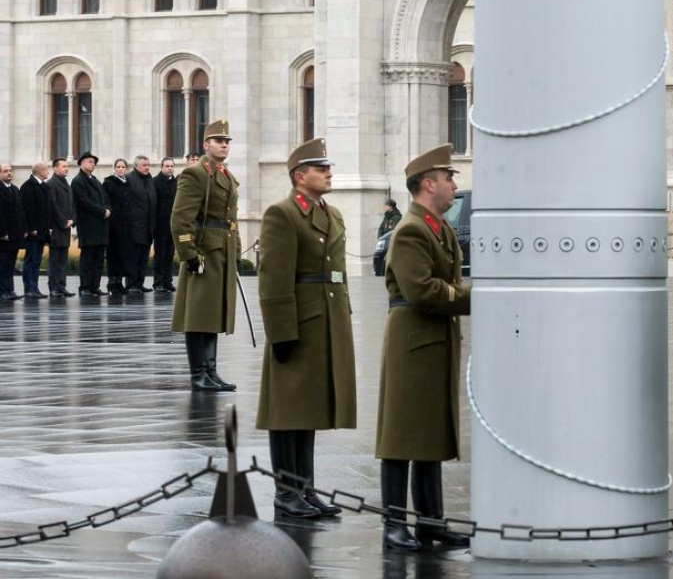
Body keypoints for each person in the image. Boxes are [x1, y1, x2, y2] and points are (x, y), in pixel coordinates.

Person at [375, 144, 472, 551]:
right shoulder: (412, 228)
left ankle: (430, 522)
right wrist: (475, 298)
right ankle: (394, 524)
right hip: (413, 338)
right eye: (449, 178)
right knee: (401, 436)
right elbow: (422, 290)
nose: (454, 184)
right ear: (429, 184)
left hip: (433, 337)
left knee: (429, 433)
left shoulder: (438, 226)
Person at [256, 138, 357, 519]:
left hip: (325, 319)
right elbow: (274, 279)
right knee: (287, 412)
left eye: (328, 167)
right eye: (321, 168)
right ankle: (286, 493)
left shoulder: (331, 213)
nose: (329, 173)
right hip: (298, 321)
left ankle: (305, 489)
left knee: (308, 410)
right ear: (301, 176)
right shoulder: (282, 214)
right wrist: (281, 332)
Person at [171, 120, 241, 392]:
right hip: (204, 252)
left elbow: (230, 218)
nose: (224, 145)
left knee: (212, 314)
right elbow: (181, 218)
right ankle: (198, 374)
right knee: (198, 316)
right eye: (218, 140)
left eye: (227, 141)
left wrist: (235, 249)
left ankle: (211, 371)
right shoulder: (196, 174)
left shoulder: (224, 174)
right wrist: (189, 253)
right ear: (205, 145)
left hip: (221, 250)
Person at [71, 152, 110, 296]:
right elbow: (84, 202)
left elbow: (105, 197)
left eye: (93, 162)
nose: (92, 164)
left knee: (98, 259)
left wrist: (108, 209)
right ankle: (85, 287)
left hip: (100, 226)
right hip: (88, 226)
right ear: (81, 163)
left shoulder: (95, 180)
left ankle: (95, 286)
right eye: (89, 162)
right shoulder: (78, 181)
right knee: (88, 259)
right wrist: (102, 211)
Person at [123, 156, 157, 294]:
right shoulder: (129, 179)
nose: (147, 167)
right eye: (144, 165)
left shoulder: (149, 179)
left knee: (143, 257)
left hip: (148, 226)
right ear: (136, 166)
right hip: (134, 226)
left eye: (148, 165)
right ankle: (131, 284)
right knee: (133, 257)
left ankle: (139, 283)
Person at [20, 162, 52, 299]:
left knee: (36, 261)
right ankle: (29, 288)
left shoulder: (43, 186)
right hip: (33, 232)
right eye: (46, 169)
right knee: (31, 260)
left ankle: (35, 287)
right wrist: (31, 228)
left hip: (41, 232)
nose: (48, 172)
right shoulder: (28, 186)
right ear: (39, 171)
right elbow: (27, 210)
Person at [47, 158, 76, 297]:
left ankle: (61, 286)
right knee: (55, 259)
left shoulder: (66, 184)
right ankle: (54, 287)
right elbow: (53, 206)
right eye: (63, 166)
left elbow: (72, 205)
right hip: (57, 227)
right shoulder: (52, 184)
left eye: (67, 166)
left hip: (66, 227)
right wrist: (63, 221)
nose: (66, 168)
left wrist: (72, 219)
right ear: (55, 168)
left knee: (63, 259)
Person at [104, 158, 130, 295]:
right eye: (118, 167)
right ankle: (112, 282)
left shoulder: (128, 183)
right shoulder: (109, 183)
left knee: (123, 254)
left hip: (125, 225)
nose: (120, 169)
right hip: (113, 225)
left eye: (123, 166)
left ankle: (119, 281)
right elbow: (106, 201)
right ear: (114, 168)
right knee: (113, 254)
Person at [153, 158, 178, 292]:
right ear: (162, 167)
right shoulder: (155, 182)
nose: (170, 168)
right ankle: (158, 282)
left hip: (172, 225)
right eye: (167, 166)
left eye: (172, 166)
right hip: (160, 225)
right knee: (160, 255)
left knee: (169, 255)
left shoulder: (176, 183)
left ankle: (168, 281)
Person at [0, 163, 24, 302]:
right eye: (5, 171)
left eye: (10, 171)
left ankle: (9, 289)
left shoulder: (15, 189)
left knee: (10, 264)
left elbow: (20, 212)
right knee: (3, 264)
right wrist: (2, 232)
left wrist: (23, 230)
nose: (9, 173)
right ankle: (2, 291)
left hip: (15, 234)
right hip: (3, 235)